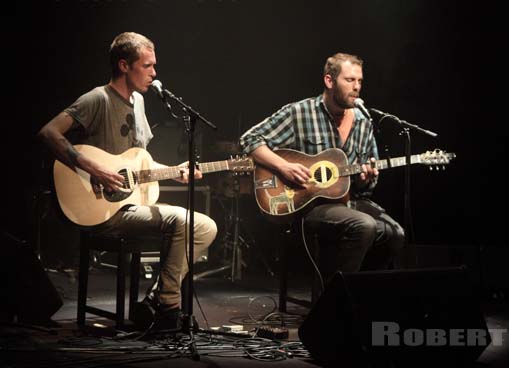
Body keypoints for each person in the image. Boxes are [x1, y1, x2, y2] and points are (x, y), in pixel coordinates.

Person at [38, 32, 218, 333]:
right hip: (99, 208)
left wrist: (175, 170)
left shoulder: (138, 104)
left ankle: (159, 299)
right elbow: (48, 133)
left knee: (205, 225)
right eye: (147, 66)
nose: (154, 73)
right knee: (192, 224)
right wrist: (92, 168)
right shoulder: (97, 99)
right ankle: (167, 306)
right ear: (124, 65)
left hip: (130, 205)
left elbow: (140, 164)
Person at [239, 52, 404, 288]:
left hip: (351, 201)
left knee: (394, 232)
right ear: (329, 81)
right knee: (364, 226)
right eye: (349, 80)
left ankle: (362, 295)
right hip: (310, 205)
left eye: (359, 81)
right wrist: (283, 167)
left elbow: (366, 186)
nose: (357, 87)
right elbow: (249, 140)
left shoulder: (364, 121)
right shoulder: (300, 112)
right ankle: (333, 301)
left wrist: (367, 178)